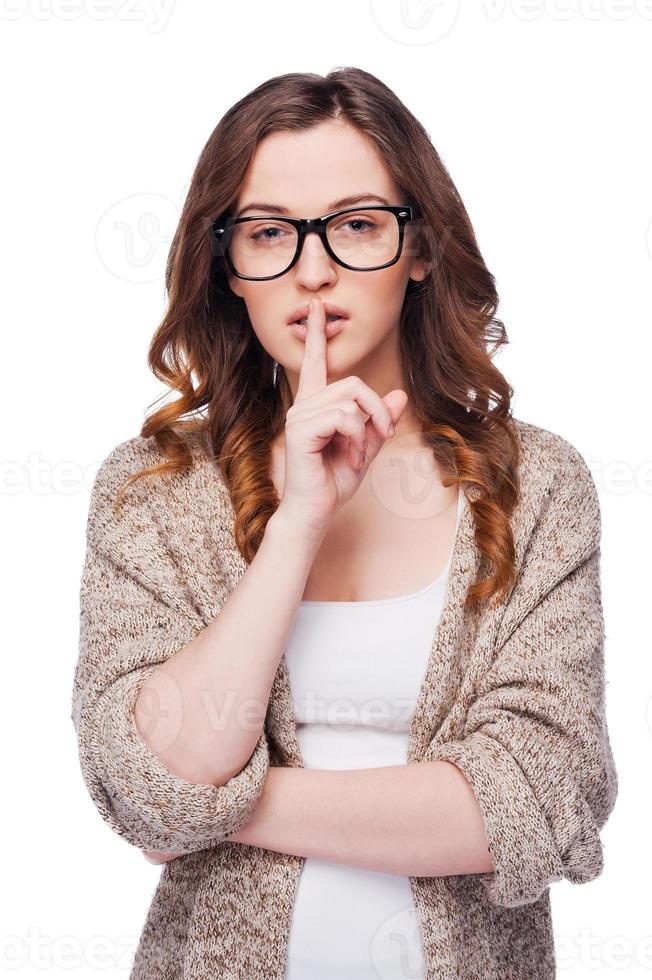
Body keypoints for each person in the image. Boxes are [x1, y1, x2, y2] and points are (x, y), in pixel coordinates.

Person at [70, 68, 618, 980]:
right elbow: (155, 766)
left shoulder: (537, 483)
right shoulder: (152, 491)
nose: (313, 270)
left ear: (422, 248)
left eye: (357, 225)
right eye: (270, 233)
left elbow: (538, 794)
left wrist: (218, 810)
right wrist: (296, 527)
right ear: (227, 266)